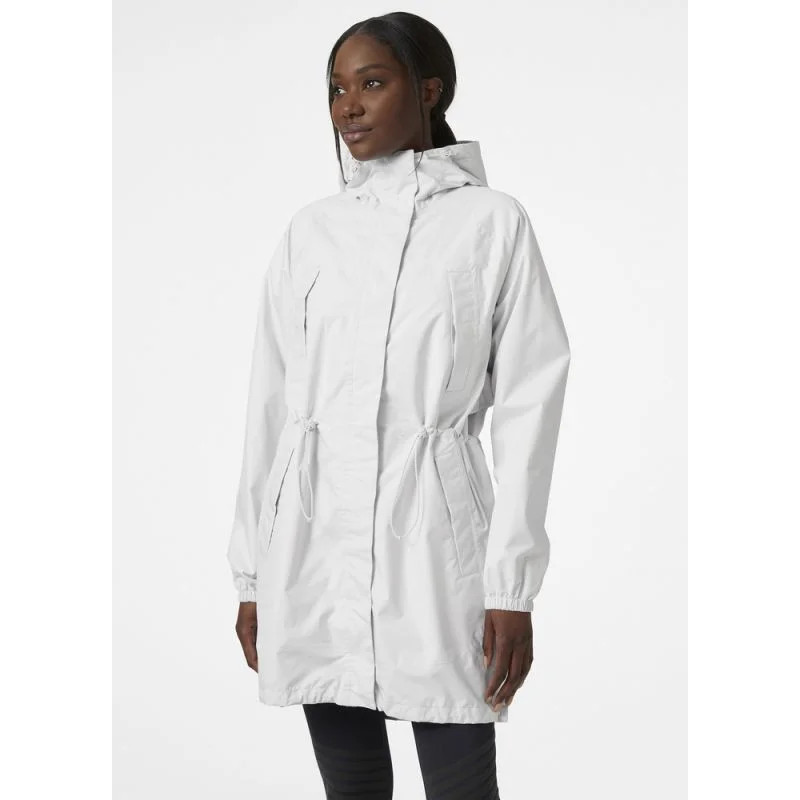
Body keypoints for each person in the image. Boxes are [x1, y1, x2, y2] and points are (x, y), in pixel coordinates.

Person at [226, 11, 571, 799]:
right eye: (336, 89)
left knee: (460, 779)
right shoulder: (311, 233)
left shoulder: (491, 223)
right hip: (311, 541)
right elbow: (269, 405)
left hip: (436, 542)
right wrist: (252, 572)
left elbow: (531, 405)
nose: (348, 106)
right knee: (349, 783)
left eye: (372, 83)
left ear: (429, 90)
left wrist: (510, 589)